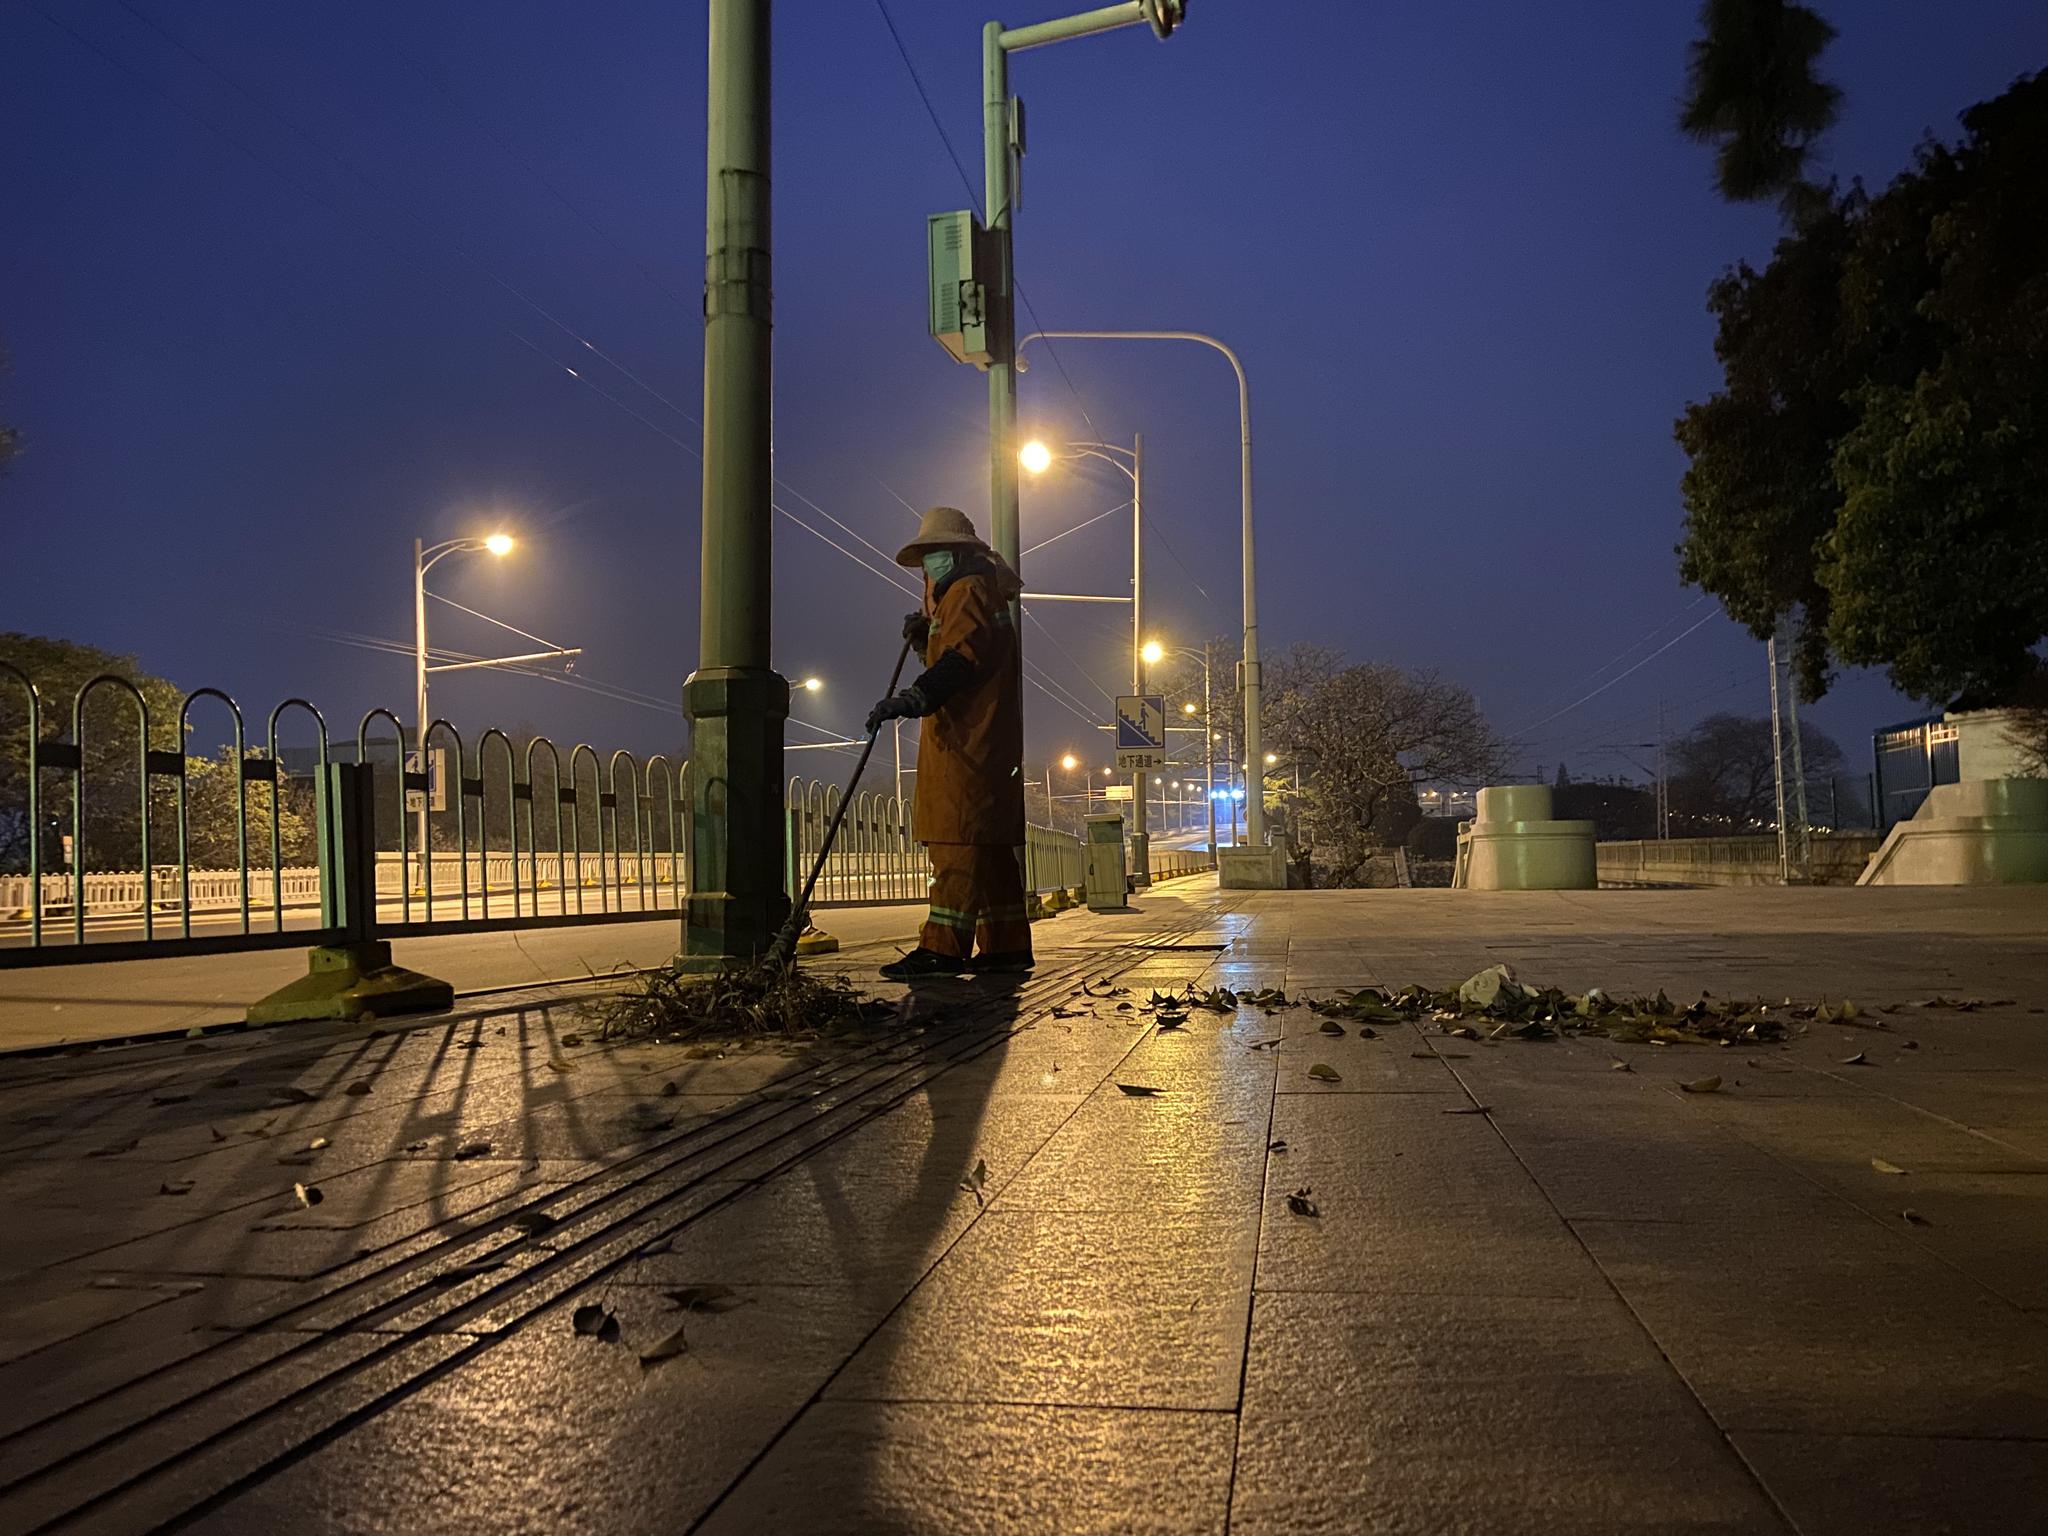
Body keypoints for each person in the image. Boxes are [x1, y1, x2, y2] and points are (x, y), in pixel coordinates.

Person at [866, 506, 1033, 979]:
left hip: (966, 744)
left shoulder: (965, 591)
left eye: (933, 554)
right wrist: (925, 640)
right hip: (989, 742)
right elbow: (965, 655)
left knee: (956, 844)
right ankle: (1005, 946)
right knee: (991, 850)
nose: (926, 567)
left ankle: (943, 947)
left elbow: (959, 662)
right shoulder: (977, 594)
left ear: (957, 554)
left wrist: (913, 698)